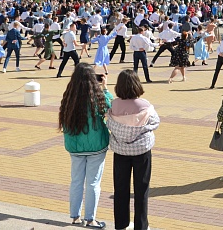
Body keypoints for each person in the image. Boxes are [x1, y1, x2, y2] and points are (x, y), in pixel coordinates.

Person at [58, 63, 113, 228]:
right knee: (93, 183)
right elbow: (110, 108)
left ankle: (75, 216)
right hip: (96, 146)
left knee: (76, 181)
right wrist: (105, 88)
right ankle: (90, 219)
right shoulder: (97, 96)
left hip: (75, 146)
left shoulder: (69, 96)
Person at [107, 70, 159, 230]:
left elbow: (109, 122)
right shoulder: (144, 105)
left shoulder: (115, 104)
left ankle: (121, 224)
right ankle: (141, 226)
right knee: (141, 189)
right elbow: (155, 122)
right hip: (141, 151)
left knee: (120, 188)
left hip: (120, 151)